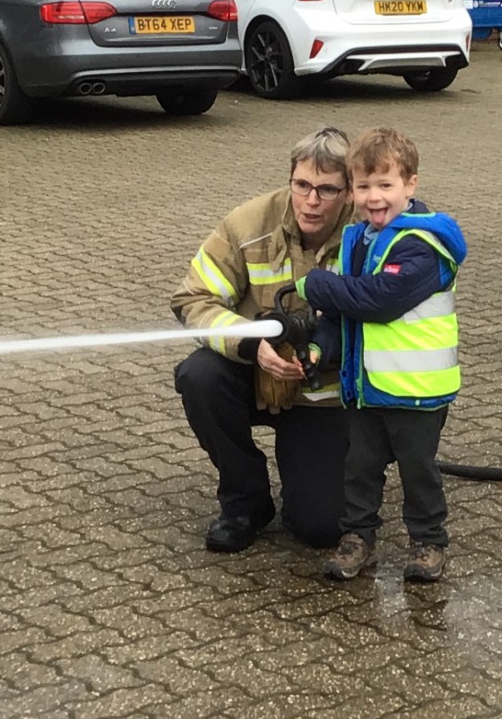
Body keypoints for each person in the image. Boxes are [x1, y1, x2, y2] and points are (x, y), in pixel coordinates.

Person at [172, 126, 354, 553]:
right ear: (289, 178)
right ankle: (245, 502)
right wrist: (252, 345)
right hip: (253, 374)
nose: (312, 200)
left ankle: (322, 483)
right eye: (302, 185)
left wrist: (324, 348)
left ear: (349, 192)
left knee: (322, 528)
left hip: (325, 394)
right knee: (200, 376)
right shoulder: (248, 224)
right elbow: (192, 298)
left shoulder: (369, 234)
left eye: (327, 190)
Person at [299, 126, 467, 584]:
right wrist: (319, 346)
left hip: (417, 391)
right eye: (363, 186)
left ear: (410, 184)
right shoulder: (358, 240)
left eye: (385, 185)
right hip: (367, 387)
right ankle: (358, 540)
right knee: (360, 467)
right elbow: (342, 310)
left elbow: (378, 299)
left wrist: (316, 284)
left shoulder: (424, 244)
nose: (374, 198)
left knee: (418, 471)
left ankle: (428, 541)